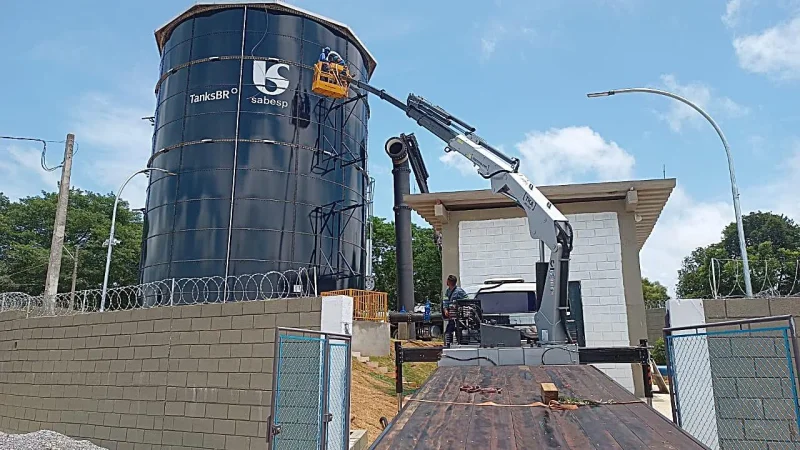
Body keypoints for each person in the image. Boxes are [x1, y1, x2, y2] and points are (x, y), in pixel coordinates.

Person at [443, 274, 467, 348]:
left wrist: (459, 305)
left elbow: (467, 300)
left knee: (459, 329)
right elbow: (445, 301)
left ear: (450, 282)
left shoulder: (459, 291)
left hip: (459, 316)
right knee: (449, 330)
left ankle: (461, 343)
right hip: (451, 315)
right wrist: (445, 309)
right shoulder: (448, 291)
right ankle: (448, 344)